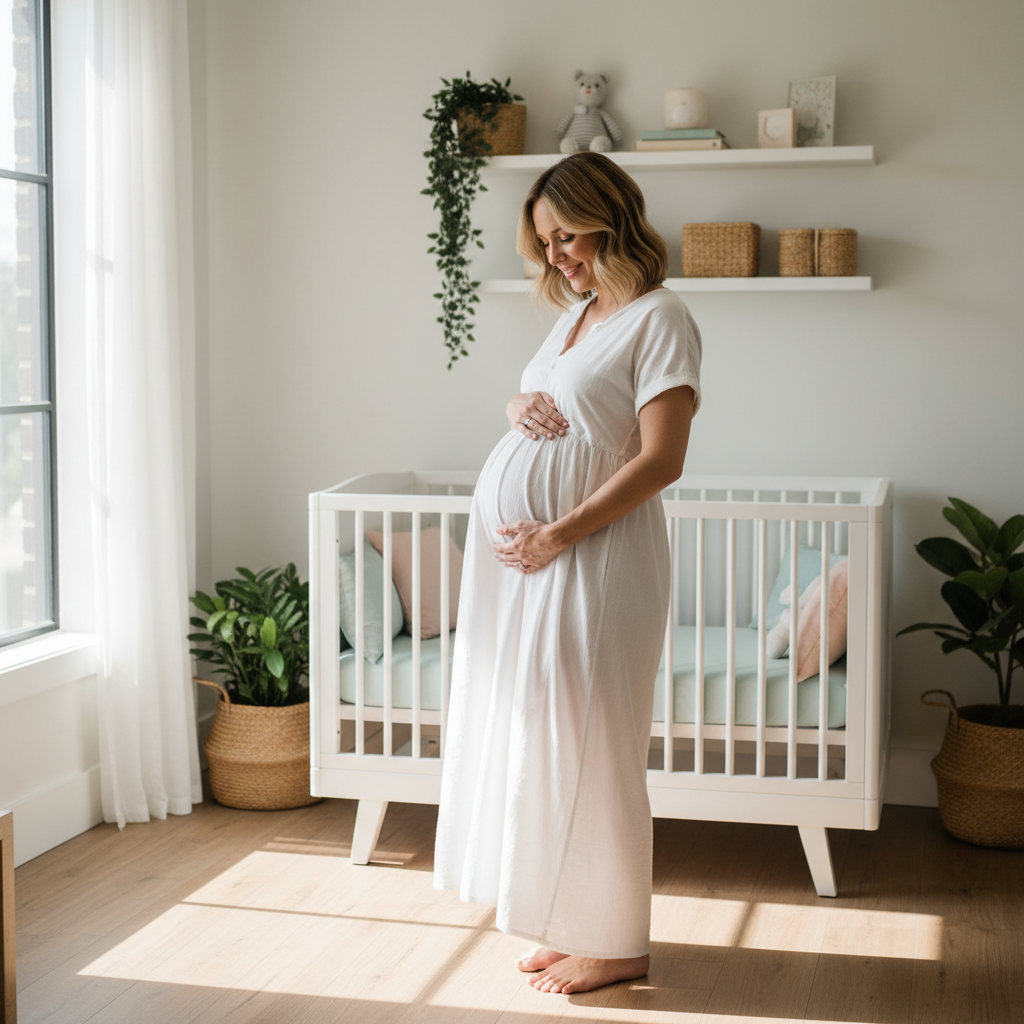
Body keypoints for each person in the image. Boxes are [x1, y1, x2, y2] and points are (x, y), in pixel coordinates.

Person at [433, 152, 701, 995]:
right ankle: (568, 918)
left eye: (568, 234)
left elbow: (662, 460)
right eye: (545, 240)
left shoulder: (661, 318)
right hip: (536, 560)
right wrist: (517, 409)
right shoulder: (580, 313)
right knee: (543, 735)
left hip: (599, 555)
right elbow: (545, 400)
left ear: (612, 219)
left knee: (594, 742)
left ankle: (618, 939)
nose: (556, 254)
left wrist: (560, 534)